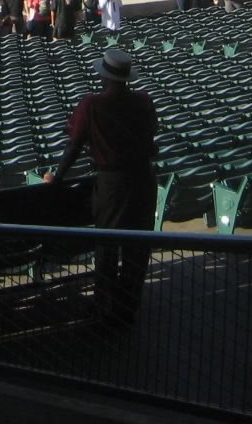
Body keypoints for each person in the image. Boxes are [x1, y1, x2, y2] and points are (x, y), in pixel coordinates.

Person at [42, 48, 158, 325]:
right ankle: (127, 308)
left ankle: (103, 307)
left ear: (104, 76)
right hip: (144, 179)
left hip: (113, 183)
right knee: (137, 248)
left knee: (107, 247)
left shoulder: (92, 104)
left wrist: (56, 177)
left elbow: (74, 144)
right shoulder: (143, 101)